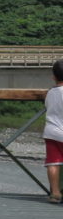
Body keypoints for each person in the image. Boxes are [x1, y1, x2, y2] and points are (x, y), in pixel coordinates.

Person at [43, 59, 63, 203]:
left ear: (54, 77)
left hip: (51, 131)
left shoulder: (50, 92)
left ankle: (55, 192)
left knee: (53, 162)